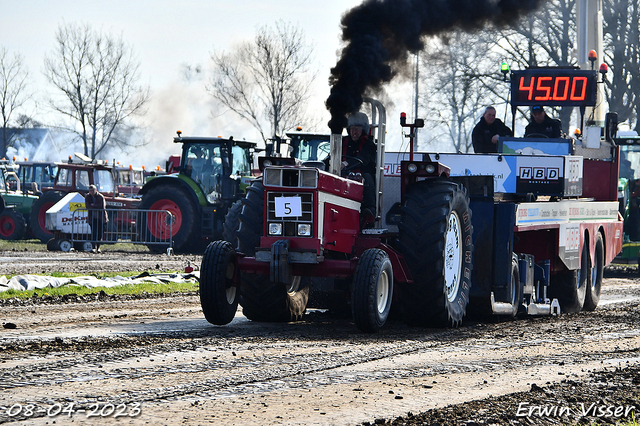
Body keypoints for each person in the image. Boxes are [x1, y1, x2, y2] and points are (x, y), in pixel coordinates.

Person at [342, 112, 377, 217]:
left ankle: (370, 210)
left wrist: (346, 163)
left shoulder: (369, 144)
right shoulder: (343, 142)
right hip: (343, 175)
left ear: (364, 130)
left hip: (362, 175)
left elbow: (363, 158)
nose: (354, 132)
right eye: (352, 129)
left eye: (357, 129)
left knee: (367, 177)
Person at [85, 184, 108, 253]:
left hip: (100, 218)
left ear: (96, 190)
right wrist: (94, 206)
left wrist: (93, 205)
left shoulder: (100, 197)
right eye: (90, 191)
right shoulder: (87, 197)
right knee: (93, 233)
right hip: (92, 218)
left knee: (100, 233)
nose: (91, 192)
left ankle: (98, 247)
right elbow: (87, 206)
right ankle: (93, 247)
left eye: (93, 190)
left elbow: (102, 207)